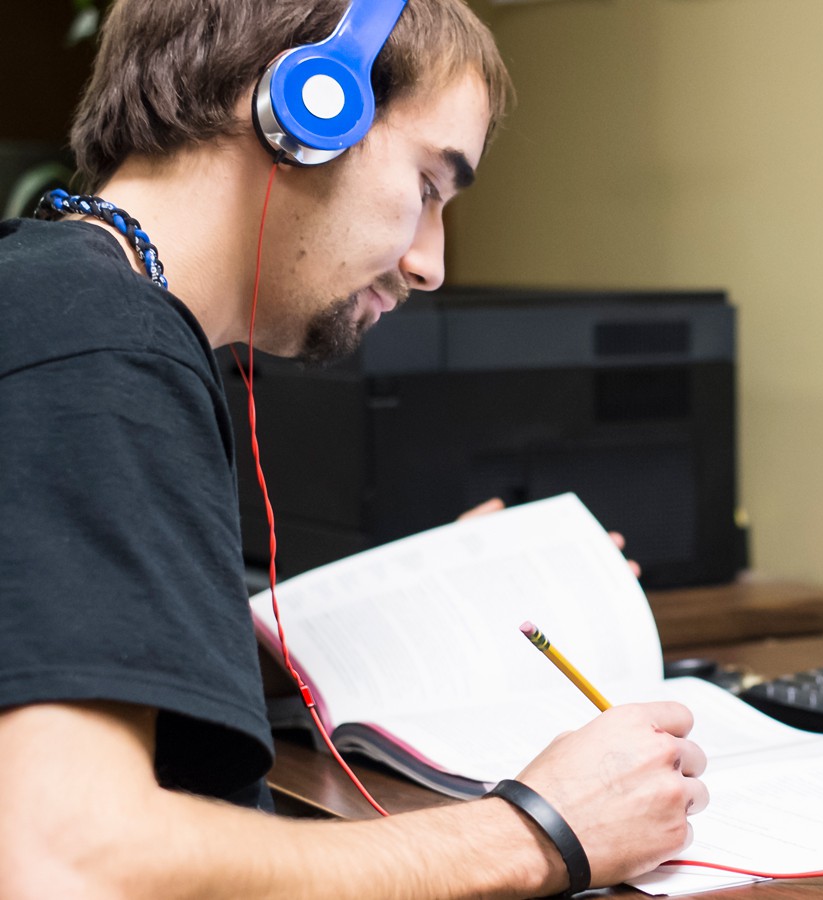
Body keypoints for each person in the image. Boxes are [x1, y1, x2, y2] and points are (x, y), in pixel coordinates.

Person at [0, 0, 708, 895]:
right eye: (428, 187)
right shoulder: (99, 347)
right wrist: (545, 830)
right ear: (306, 108)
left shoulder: (62, 299)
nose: (429, 263)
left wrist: (426, 604)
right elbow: (65, 863)